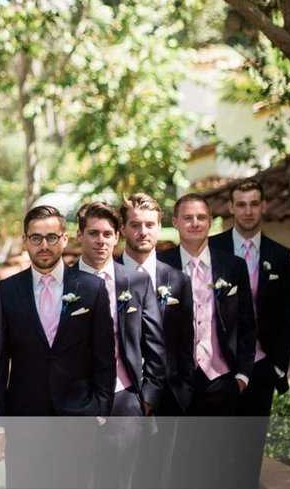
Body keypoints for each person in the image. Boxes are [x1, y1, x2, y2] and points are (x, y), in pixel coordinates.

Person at [0, 205, 113, 489]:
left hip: (79, 420)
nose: (44, 245)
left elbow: (104, 356)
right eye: (36, 238)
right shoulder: (5, 292)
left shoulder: (91, 288)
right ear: (25, 241)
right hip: (24, 421)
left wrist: (100, 411)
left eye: (52, 237)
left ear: (65, 239)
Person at [157, 193, 257, 489]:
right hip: (174, 381)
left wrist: (242, 375)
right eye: (187, 217)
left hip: (220, 378)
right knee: (174, 464)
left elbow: (247, 324)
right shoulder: (159, 266)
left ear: (210, 222)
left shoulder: (233, 266)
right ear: (174, 222)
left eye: (201, 217)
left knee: (218, 464)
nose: (195, 223)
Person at [208, 180, 290, 483]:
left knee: (250, 449)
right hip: (218, 366)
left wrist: (277, 366)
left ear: (263, 207)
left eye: (254, 203)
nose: (247, 211)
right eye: (241, 204)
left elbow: (286, 316)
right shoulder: (211, 248)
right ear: (231, 207)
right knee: (214, 449)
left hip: (261, 366)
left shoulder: (280, 256)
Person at [75, 201, 165, 489]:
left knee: (121, 482)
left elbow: (155, 343)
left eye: (107, 233)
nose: (100, 240)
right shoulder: (64, 282)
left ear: (117, 236)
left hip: (125, 398)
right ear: (79, 235)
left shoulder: (136, 282)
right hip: (76, 400)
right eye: (93, 233)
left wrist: (146, 397)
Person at [119, 193, 195, 489]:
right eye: (135, 224)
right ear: (123, 228)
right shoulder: (106, 276)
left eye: (150, 224)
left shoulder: (177, 280)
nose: (143, 231)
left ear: (160, 226)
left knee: (161, 477)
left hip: (170, 398)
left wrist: (184, 391)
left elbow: (185, 343)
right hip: (120, 397)